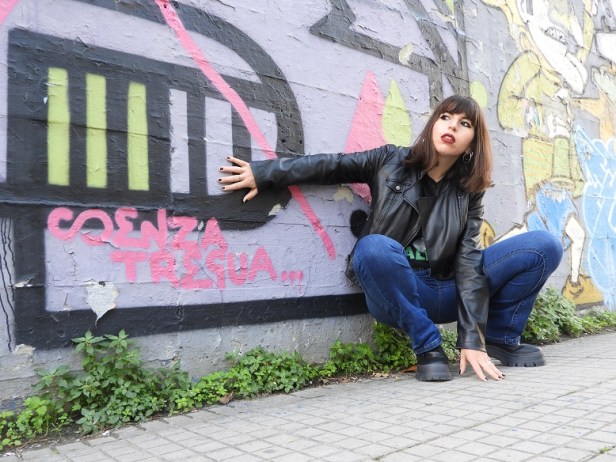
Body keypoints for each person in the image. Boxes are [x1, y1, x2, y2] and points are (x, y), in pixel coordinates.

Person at [218, 95, 563, 382]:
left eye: (465, 123)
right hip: (398, 292)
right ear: (433, 124)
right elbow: (330, 165)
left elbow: (469, 260)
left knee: (543, 246)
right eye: (445, 117)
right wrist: (264, 173)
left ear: (472, 142)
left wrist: (471, 337)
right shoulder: (390, 160)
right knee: (374, 246)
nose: (452, 126)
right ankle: (428, 347)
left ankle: (500, 337)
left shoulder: (467, 191)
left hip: (447, 288)